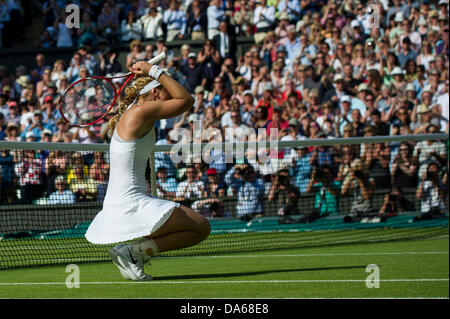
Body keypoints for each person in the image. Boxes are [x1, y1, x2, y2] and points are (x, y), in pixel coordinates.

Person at [85, 60, 210, 281]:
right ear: (154, 92)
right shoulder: (140, 112)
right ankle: (134, 252)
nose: (169, 95)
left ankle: (133, 252)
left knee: (197, 228)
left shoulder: (136, 113)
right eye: (164, 90)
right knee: (201, 227)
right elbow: (186, 100)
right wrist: (155, 71)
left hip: (129, 200)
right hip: (130, 202)